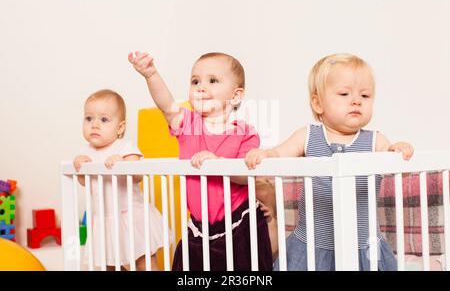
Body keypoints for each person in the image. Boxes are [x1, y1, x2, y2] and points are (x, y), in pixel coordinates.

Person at [245, 53, 414, 271]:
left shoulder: (375, 140)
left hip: (362, 245)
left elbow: (395, 162)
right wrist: (266, 154)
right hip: (311, 245)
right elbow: (278, 154)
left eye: (365, 95)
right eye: (344, 93)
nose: (356, 101)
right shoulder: (307, 136)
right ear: (317, 104)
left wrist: (397, 150)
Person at [128, 51, 273, 270]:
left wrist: (218, 163)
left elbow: (247, 175)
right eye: (195, 81)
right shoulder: (189, 125)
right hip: (199, 226)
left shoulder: (245, 133)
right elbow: (166, 106)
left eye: (212, 80)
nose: (201, 87)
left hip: (240, 225)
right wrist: (151, 74)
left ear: (235, 96)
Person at [73, 89, 165, 271]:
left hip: (131, 217)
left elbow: (137, 174)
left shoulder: (124, 147)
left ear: (120, 128)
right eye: (89, 118)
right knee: (109, 265)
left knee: (144, 261)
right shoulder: (86, 152)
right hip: (104, 221)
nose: (94, 125)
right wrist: (80, 167)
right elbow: (85, 182)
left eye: (104, 120)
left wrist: (123, 163)